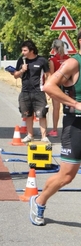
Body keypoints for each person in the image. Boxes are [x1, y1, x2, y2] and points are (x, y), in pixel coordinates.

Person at [29, 30, 81, 225]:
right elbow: (49, 86)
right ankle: (39, 201)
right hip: (76, 125)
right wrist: (75, 104)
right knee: (67, 175)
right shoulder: (73, 63)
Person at [13, 40, 50, 143]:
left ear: (31, 50)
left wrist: (49, 89)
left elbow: (48, 75)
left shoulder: (42, 60)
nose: (23, 52)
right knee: (27, 114)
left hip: (39, 91)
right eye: (22, 50)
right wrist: (22, 70)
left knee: (41, 114)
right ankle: (30, 135)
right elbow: (15, 75)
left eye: (25, 50)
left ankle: (44, 136)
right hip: (25, 92)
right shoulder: (21, 60)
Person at [47, 39, 70, 137]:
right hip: (68, 86)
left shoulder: (52, 60)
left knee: (56, 108)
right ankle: (67, 130)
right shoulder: (69, 59)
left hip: (57, 86)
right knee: (68, 108)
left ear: (54, 48)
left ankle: (55, 130)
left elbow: (52, 76)